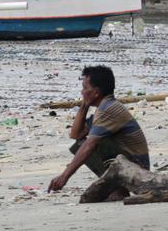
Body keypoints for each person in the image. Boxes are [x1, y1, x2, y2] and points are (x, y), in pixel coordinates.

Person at [47, 65, 150, 196]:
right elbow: (76, 134)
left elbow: (89, 145)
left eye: (85, 88)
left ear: (96, 92)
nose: (82, 92)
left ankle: (118, 189)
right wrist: (84, 105)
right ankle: (116, 187)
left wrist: (64, 177)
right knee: (81, 142)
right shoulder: (104, 108)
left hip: (138, 171)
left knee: (91, 142)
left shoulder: (108, 110)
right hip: (132, 167)